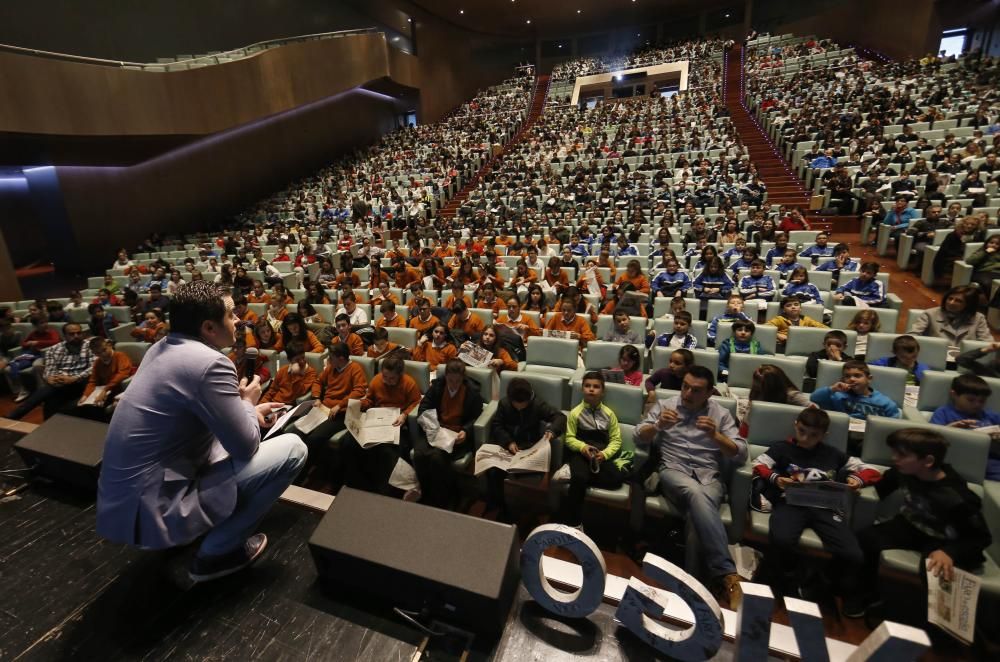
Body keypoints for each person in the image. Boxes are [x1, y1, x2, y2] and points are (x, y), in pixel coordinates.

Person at [97, 281, 306, 582]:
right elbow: (246, 447)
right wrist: (247, 403)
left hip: (125, 506)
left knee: (222, 447)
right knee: (294, 449)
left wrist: (244, 411)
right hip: (157, 507)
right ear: (209, 327)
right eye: (232, 315)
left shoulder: (161, 348)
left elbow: (193, 420)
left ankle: (203, 528)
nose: (238, 322)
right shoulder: (210, 362)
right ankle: (217, 553)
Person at [841, 429, 993, 620]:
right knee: (863, 540)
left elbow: (981, 537)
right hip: (910, 525)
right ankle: (864, 593)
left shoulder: (956, 497)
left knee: (933, 570)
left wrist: (950, 552)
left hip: (944, 540)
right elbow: (882, 486)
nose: (894, 458)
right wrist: (857, 483)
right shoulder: (904, 470)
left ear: (928, 461)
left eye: (902, 455)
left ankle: (928, 620)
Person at [636, 366, 748, 608]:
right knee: (695, 493)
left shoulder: (720, 414)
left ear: (709, 393)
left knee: (696, 516)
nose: (687, 393)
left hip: (710, 477)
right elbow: (638, 436)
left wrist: (716, 436)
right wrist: (657, 427)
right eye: (685, 386)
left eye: (696, 390)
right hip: (673, 473)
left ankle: (693, 590)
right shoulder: (666, 405)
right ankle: (728, 574)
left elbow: (740, 454)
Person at [751, 409, 879, 598]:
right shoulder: (782, 448)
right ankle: (790, 575)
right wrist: (775, 478)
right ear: (796, 424)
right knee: (782, 539)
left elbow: (871, 470)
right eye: (802, 431)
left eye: (813, 435)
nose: (805, 438)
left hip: (826, 507)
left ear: (824, 435)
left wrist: (857, 480)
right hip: (791, 502)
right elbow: (757, 464)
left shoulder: (833, 454)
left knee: (852, 554)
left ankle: (821, 580)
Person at [485, 377, 566, 523]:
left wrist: (552, 431)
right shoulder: (504, 404)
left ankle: (530, 511)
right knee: (493, 471)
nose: (519, 408)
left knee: (528, 472)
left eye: (523, 405)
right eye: (516, 405)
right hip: (508, 446)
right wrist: (508, 442)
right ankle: (500, 508)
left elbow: (560, 417)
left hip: (528, 447)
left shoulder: (537, 404)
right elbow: (497, 425)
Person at [559, 371, 632, 529]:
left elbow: (616, 440)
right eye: (587, 386)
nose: (591, 389)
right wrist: (582, 447)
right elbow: (570, 438)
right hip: (581, 453)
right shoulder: (575, 413)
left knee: (617, 479)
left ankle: (573, 475)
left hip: (600, 454)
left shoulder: (609, 414)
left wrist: (604, 455)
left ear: (603, 391)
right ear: (582, 389)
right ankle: (573, 522)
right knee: (579, 478)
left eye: (596, 387)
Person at [341, 356, 422, 496]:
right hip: (376, 419)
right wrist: (360, 404)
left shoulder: (409, 383)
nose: (386, 381)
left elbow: (416, 403)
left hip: (397, 422)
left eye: (392, 378)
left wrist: (405, 415)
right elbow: (370, 399)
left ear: (400, 375)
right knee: (349, 442)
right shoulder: (377, 380)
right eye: (385, 376)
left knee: (387, 450)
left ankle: (393, 490)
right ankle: (358, 485)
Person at [414, 359, 484, 509]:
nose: (453, 384)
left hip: (456, 436)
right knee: (419, 454)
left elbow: (476, 418)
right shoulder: (437, 387)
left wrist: (466, 430)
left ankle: (444, 498)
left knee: (437, 459)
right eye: (450, 380)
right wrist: (430, 425)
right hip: (436, 430)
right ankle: (426, 493)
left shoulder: (472, 393)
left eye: (457, 381)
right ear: (445, 376)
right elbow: (424, 407)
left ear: (463, 379)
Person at [297, 341, 367, 467]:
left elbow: (359, 390)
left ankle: (304, 471)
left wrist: (340, 405)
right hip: (324, 408)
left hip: (341, 413)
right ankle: (307, 466)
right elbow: (318, 382)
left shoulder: (355, 368)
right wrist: (317, 397)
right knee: (300, 432)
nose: (328, 359)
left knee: (314, 438)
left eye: (331, 357)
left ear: (340, 358)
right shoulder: (331, 368)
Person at [8, 322, 94, 420]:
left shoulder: (90, 346)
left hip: (81, 382)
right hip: (61, 382)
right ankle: (15, 416)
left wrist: (74, 378)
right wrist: (50, 378)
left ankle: (13, 416)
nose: (76, 336)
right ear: (64, 336)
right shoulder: (54, 349)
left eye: (79, 333)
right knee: (49, 393)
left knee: (47, 391)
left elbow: (93, 367)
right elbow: (50, 369)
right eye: (71, 334)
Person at [929, 373, 1000, 480]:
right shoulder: (943, 413)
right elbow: (929, 441)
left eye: (982, 401)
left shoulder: (989, 415)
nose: (977, 404)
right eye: (971, 400)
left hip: (992, 459)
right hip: (965, 460)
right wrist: (949, 429)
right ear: (954, 395)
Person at [909, 285, 992, 360]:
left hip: (964, 360)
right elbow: (912, 336)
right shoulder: (929, 314)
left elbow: (987, 343)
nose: (951, 303)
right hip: (935, 358)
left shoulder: (979, 318)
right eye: (950, 298)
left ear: (969, 305)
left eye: (958, 301)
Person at [809, 361, 901, 420]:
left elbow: (893, 422)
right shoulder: (838, 396)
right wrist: (832, 388)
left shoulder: (884, 403)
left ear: (869, 379)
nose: (852, 379)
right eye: (847, 376)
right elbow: (814, 398)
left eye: (857, 375)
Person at [71, 337, 134, 422]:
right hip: (104, 389)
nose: (102, 354)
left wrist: (105, 390)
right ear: (93, 353)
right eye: (97, 353)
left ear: (109, 345)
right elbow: (93, 381)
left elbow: (122, 374)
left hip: (119, 389)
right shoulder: (97, 362)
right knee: (79, 406)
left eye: (104, 350)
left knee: (96, 409)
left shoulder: (120, 356)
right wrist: (85, 395)